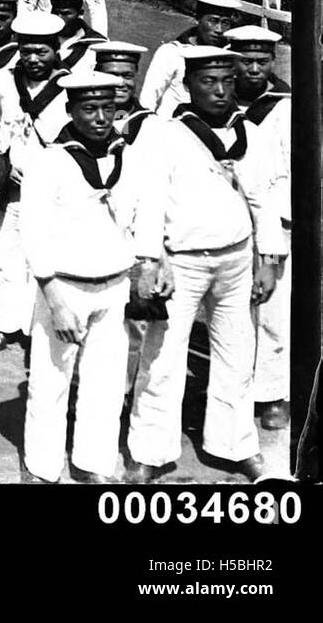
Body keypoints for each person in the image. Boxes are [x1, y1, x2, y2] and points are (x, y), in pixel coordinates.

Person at [125, 47, 286, 483]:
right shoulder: (165, 134)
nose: (219, 90)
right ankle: (149, 451)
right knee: (163, 359)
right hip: (182, 262)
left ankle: (235, 445)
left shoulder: (250, 131)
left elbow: (263, 199)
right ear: (189, 85)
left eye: (227, 82)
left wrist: (268, 260)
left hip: (236, 261)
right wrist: (149, 260)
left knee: (237, 356)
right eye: (208, 82)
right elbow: (150, 201)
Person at [21, 71, 147, 484]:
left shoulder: (128, 155)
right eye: (89, 109)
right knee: (51, 380)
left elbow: (140, 214)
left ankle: (93, 462)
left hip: (113, 285)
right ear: (70, 110)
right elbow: (33, 231)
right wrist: (53, 296)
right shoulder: (50, 160)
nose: (99, 118)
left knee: (105, 384)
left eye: (108, 109)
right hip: (65, 287)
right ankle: (42, 466)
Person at [0, 10, 69, 354]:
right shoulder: (4, 81)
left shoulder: (67, 87)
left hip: (50, 188)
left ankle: (35, 327)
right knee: (6, 256)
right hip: (12, 184)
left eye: (42, 51)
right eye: (27, 51)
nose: (33, 59)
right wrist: (1, 160)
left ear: (55, 50)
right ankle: (6, 326)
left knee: (42, 259)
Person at [224, 25, 293, 433]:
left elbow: (292, 170)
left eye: (261, 61)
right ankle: (233, 389)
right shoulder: (215, 99)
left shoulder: (285, 106)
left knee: (271, 312)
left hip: (273, 221)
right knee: (231, 311)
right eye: (244, 60)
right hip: (225, 223)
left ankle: (273, 394)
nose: (252, 69)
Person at [138, 0, 242, 118]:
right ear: (198, 19)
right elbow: (148, 98)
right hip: (172, 127)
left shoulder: (231, 56)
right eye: (213, 21)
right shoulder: (172, 52)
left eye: (225, 23)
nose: (219, 29)